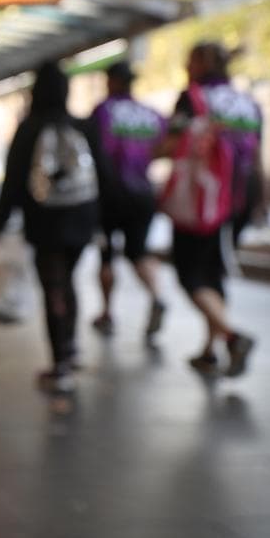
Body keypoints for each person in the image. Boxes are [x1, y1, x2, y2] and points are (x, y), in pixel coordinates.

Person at [0, 62, 101, 394]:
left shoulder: (29, 128)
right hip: (82, 217)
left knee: (53, 286)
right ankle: (72, 347)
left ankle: (60, 365)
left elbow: (13, 179)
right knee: (69, 280)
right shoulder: (83, 126)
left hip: (45, 220)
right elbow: (103, 174)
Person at [166, 42, 258, 377]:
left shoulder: (192, 98)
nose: (186, 67)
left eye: (190, 60)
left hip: (204, 198)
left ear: (203, 63)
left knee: (190, 274)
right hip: (242, 196)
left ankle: (232, 337)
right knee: (214, 271)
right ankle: (209, 350)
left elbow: (172, 143)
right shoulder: (247, 102)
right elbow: (257, 156)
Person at [87, 61, 168, 340]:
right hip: (143, 194)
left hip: (109, 195)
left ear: (112, 81)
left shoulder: (103, 111)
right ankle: (156, 296)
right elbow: (166, 145)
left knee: (106, 255)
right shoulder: (150, 114)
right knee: (139, 252)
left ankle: (107, 311)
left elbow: (93, 151)